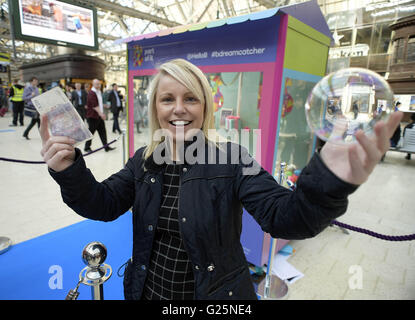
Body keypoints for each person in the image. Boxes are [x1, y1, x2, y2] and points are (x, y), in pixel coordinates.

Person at [39, 59, 402, 300]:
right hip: (147, 292)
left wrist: (330, 181)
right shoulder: (143, 161)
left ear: (205, 108)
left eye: (190, 99)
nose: (178, 108)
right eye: (167, 99)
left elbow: (285, 216)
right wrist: (69, 169)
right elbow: (101, 204)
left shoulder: (231, 160)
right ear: (155, 110)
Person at [83, 79, 115, 153]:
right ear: (93, 84)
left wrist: (104, 106)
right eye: (97, 84)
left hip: (98, 116)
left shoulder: (99, 92)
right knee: (91, 133)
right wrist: (102, 114)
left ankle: (106, 147)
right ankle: (86, 147)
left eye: (99, 84)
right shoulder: (92, 93)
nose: (99, 85)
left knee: (103, 132)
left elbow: (99, 104)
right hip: (92, 117)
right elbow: (95, 106)